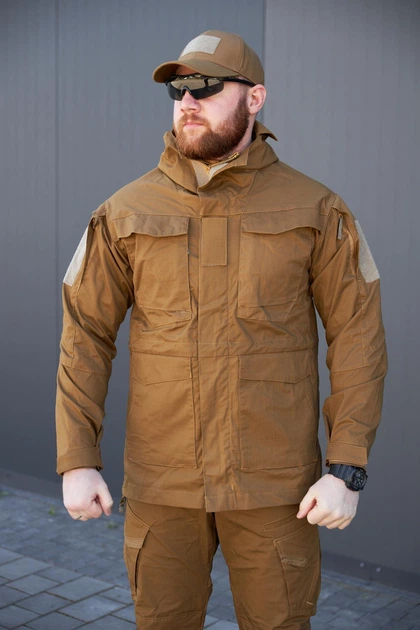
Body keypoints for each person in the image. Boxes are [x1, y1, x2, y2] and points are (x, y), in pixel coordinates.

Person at [56, 30, 387, 630]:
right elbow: (85, 336)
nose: (188, 102)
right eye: (178, 90)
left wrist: (346, 467)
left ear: (254, 98)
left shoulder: (316, 209)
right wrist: (77, 457)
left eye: (206, 87)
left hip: (275, 489)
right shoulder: (125, 212)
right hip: (163, 483)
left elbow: (358, 339)